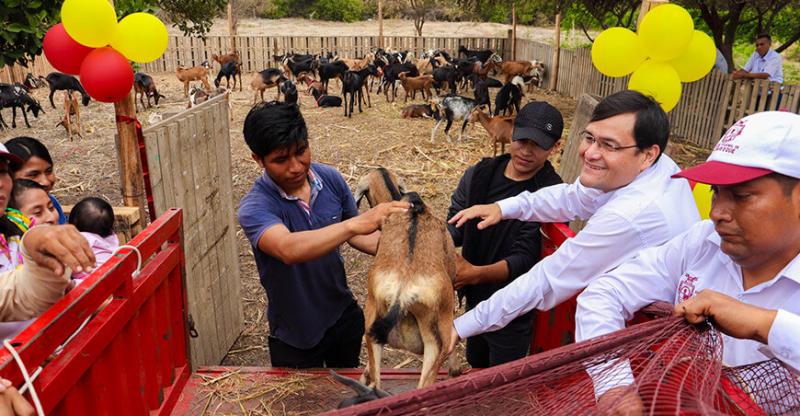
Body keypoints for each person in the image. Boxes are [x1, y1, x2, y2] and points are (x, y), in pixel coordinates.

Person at [576, 111, 800, 411]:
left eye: (742, 195)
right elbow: (604, 293)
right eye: (716, 193)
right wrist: (615, 386)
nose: (717, 212)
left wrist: (765, 325)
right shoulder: (702, 243)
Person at [447, 90, 701, 352]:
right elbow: (574, 197)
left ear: (648, 154)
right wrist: (504, 207)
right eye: (590, 137)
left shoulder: (631, 215)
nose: (590, 153)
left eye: (609, 145)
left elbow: (549, 278)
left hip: (660, 344)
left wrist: (462, 326)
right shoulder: (653, 165)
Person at [237, 102, 408, 368]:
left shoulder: (329, 179)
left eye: (301, 151)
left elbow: (357, 236)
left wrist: (405, 248)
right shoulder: (256, 207)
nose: (296, 166)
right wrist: (356, 224)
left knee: (346, 385)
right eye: (281, 160)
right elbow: (288, 248)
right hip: (295, 332)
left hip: (341, 313)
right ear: (257, 159)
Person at [446, 102, 564, 368]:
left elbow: (525, 259)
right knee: (476, 362)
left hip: (516, 309)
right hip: (475, 297)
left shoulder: (553, 194)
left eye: (538, 144)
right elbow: (456, 226)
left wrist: (473, 272)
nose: (526, 150)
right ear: (511, 132)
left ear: (555, 148)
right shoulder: (479, 174)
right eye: (521, 139)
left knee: (501, 374)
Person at [5, 137, 67, 225]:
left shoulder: (50, 201)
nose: (45, 182)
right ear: (9, 176)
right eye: (33, 175)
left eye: (48, 171)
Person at [68, 197, 119, 280]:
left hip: (91, 283)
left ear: (74, 223)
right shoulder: (112, 237)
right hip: (112, 276)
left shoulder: (81, 239)